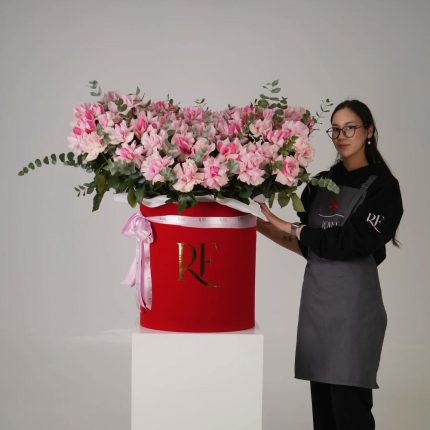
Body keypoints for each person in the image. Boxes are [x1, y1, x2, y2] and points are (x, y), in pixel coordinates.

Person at [257, 99, 403, 430]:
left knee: (350, 415)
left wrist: (293, 227)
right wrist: (255, 222)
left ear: (369, 131)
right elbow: (309, 247)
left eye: (350, 128)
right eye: (335, 129)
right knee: (324, 417)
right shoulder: (321, 182)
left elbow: (349, 244)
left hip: (353, 316)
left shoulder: (383, 188)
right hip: (317, 311)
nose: (341, 136)